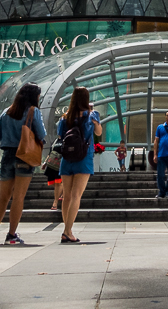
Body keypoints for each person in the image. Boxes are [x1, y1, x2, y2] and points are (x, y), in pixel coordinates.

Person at [0, 82, 46, 246]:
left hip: (7, 155)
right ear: (34, 96)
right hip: (25, 157)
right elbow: (41, 134)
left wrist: (11, 138)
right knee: (18, 197)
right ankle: (11, 234)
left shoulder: (7, 111)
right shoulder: (33, 111)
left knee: (3, 197)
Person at [58, 86, 102, 242]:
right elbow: (98, 133)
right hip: (84, 158)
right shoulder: (92, 114)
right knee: (76, 195)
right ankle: (67, 231)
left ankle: (67, 230)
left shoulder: (65, 117)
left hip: (67, 158)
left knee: (67, 196)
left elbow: (60, 135)